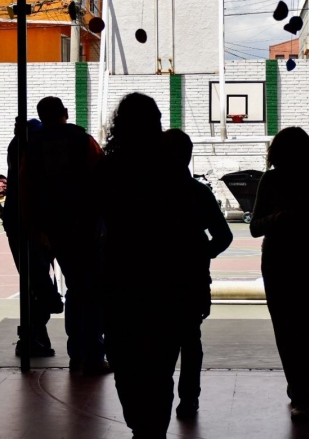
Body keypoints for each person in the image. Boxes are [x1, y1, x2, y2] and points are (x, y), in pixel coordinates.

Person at [96, 93, 203, 438]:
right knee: (159, 372)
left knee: (127, 369)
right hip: (167, 285)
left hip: (121, 284)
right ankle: (151, 429)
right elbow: (190, 238)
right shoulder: (173, 174)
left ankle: (142, 426)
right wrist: (198, 289)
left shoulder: (107, 169)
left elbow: (93, 229)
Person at [250, 127, 309, 421]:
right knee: (304, 326)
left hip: (288, 260)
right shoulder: (278, 180)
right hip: (303, 260)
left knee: (302, 328)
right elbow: (256, 225)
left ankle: (300, 365)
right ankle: (302, 394)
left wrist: (298, 221)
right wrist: (281, 218)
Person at [20, 96, 109, 374]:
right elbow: (103, 181)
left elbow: (25, 189)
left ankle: (76, 352)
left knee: (73, 288)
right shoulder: (84, 142)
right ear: (66, 113)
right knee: (89, 291)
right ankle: (92, 353)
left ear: (41, 116)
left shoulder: (32, 147)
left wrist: (36, 229)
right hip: (85, 226)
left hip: (51, 229)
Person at [164, 129, 233, 419]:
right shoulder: (198, 192)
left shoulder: (146, 192)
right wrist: (202, 253)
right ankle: (189, 399)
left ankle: (158, 400)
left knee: (159, 345)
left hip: (156, 281)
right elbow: (223, 236)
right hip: (191, 279)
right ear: (189, 156)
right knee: (190, 340)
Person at [3, 118, 63, 357]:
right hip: (29, 225)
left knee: (34, 281)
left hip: (20, 224)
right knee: (38, 282)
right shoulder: (31, 152)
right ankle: (32, 333)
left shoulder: (17, 148)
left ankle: (34, 334)